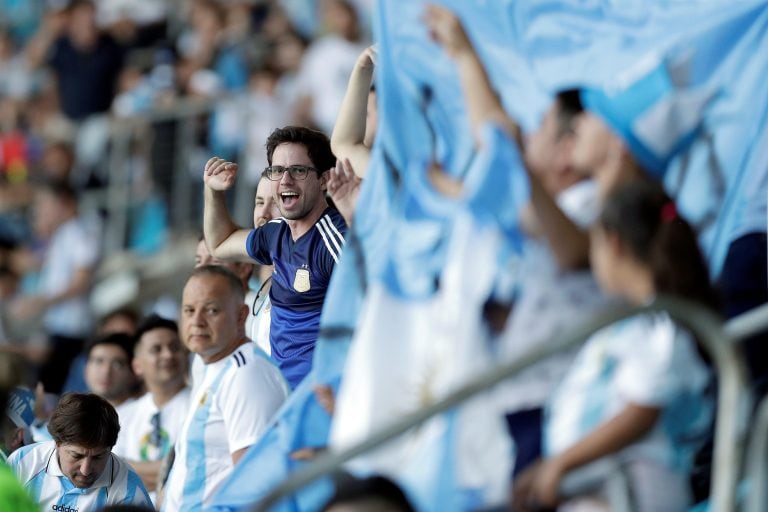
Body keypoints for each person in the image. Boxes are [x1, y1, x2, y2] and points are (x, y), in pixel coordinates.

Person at [513, 179, 715, 512]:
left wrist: (561, 464)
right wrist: (549, 469)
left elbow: (641, 412)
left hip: (636, 490)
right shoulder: (635, 323)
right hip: (603, 488)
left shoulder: (662, 324)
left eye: (594, 244)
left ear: (614, 243)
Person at [203, 125, 347, 389]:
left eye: (299, 171)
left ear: (324, 179)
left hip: (321, 398)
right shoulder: (276, 233)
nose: (285, 180)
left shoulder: (334, 239)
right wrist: (214, 192)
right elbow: (220, 244)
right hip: (282, 396)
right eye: (277, 170)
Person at [162, 266, 288, 510]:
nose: (196, 322)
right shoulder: (215, 365)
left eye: (211, 310)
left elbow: (253, 483)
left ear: (241, 315)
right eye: (189, 310)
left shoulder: (246, 374)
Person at [12, 180, 100, 395]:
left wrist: (40, 301)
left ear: (64, 203)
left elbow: (82, 281)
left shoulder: (80, 232)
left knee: (49, 391)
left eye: (45, 204)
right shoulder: (63, 234)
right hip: (57, 325)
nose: (41, 209)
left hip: (71, 327)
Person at [9, 393, 152, 509]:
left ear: (111, 449)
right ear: (57, 443)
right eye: (76, 456)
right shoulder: (22, 462)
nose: (85, 470)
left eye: (97, 457)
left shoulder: (129, 490)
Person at [112, 315, 189, 503]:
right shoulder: (123, 415)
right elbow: (109, 470)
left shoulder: (202, 404)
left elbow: (193, 468)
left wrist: (130, 469)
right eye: (157, 349)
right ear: (137, 365)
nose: (168, 355)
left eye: (174, 347)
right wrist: (168, 470)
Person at [84, 333, 140, 409]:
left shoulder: (143, 414)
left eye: (117, 365)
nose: (106, 372)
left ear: (133, 371)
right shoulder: (71, 413)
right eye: (99, 361)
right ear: (86, 368)